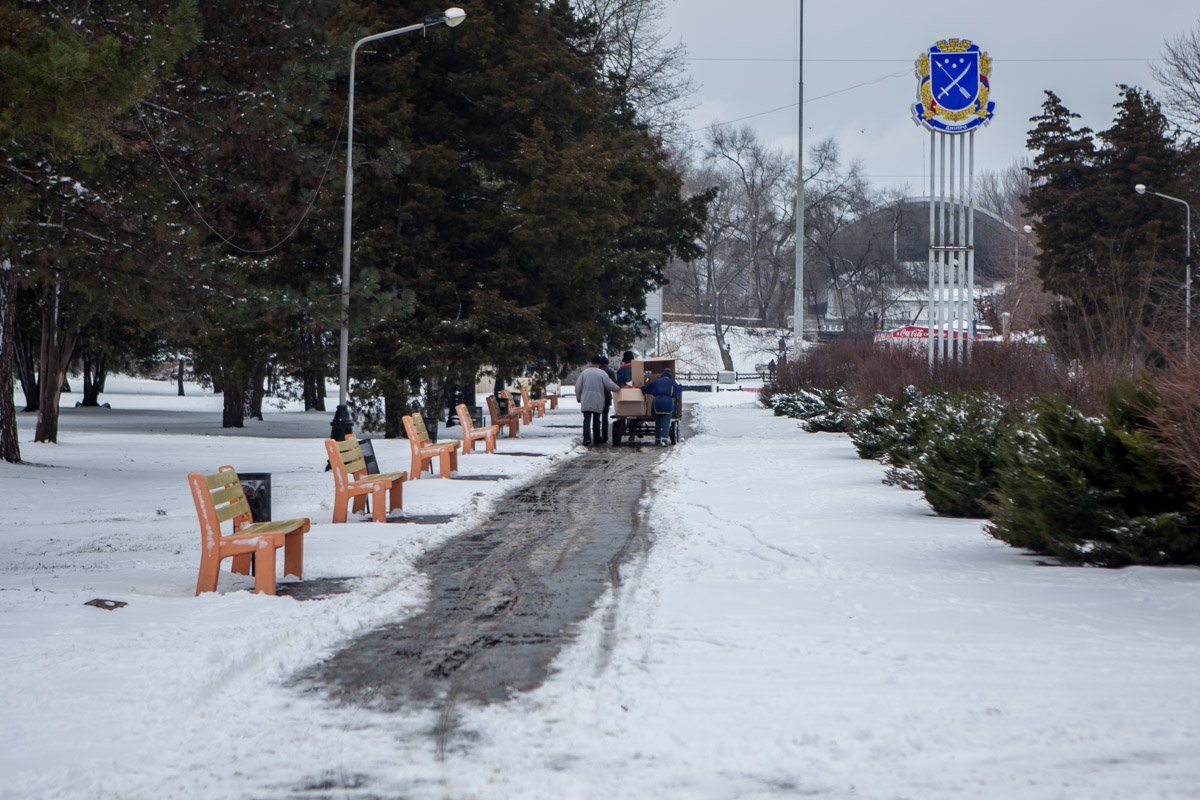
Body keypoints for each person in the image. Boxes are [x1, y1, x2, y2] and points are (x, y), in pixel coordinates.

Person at [575, 356, 620, 446]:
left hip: (586, 399)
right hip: (598, 399)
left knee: (586, 419)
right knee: (596, 419)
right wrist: (618, 389)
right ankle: (596, 437)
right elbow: (610, 385)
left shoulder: (584, 373)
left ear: (591, 362)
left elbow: (577, 387)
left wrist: (579, 397)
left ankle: (587, 438)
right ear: (599, 364)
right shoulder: (602, 373)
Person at [641, 368, 682, 445]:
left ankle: (657, 439)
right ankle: (664, 439)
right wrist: (674, 393)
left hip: (657, 402)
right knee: (666, 422)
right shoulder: (672, 382)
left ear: (662, 374)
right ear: (670, 375)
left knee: (658, 422)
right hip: (668, 402)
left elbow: (647, 388)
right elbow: (678, 390)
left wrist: (642, 389)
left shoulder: (657, 381)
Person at [598, 355, 617, 444]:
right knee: (605, 416)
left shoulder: (597, 372)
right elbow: (614, 384)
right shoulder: (610, 372)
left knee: (596, 417)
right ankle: (605, 436)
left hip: (597, 396)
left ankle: (597, 436)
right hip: (606, 396)